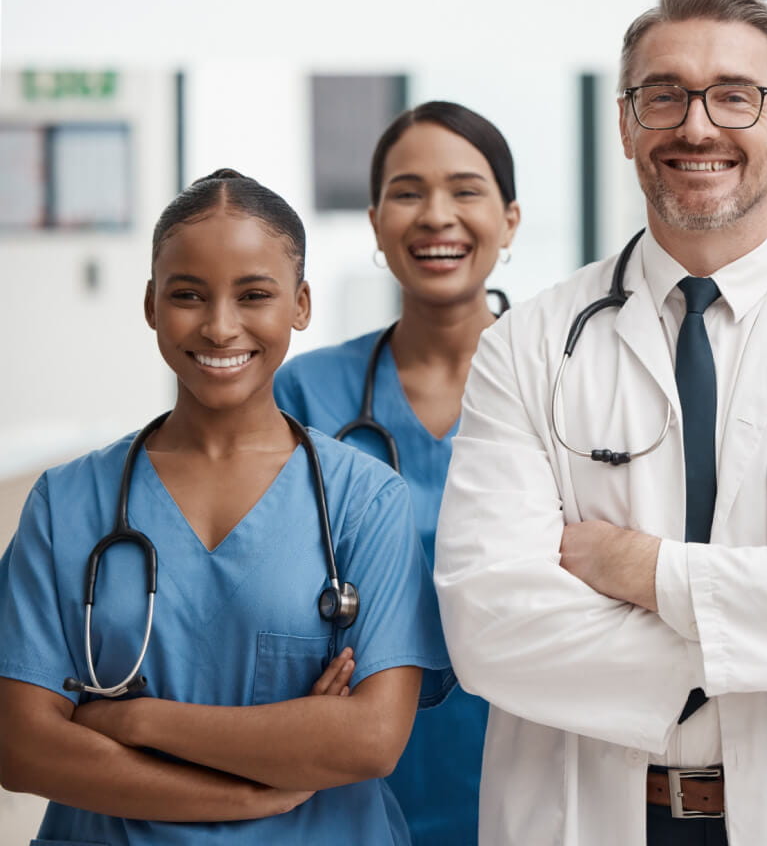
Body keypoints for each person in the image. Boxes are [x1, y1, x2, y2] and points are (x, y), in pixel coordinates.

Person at [431, 0, 767, 844]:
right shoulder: (526, 347)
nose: (698, 125)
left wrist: (642, 572)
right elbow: (491, 627)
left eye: (735, 96)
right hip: (587, 812)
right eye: (664, 95)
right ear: (627, 122)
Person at [0, 169, 452, 843]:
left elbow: (371, 739)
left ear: (300, 304)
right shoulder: (67, 504)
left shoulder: (365, 500)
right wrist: (249, 793)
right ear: (152, 304)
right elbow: (19, 747)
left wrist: (133, 720)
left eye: (254, 295)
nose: (218, 326)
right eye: (188, 295)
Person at [275, 100, 518, 846]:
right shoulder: (302, 393)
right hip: (349, 777)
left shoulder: (567, 382)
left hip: (524, 757)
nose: (436, 216)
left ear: (510, 220)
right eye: (408, 193)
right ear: (377, 221)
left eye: (465, 190)